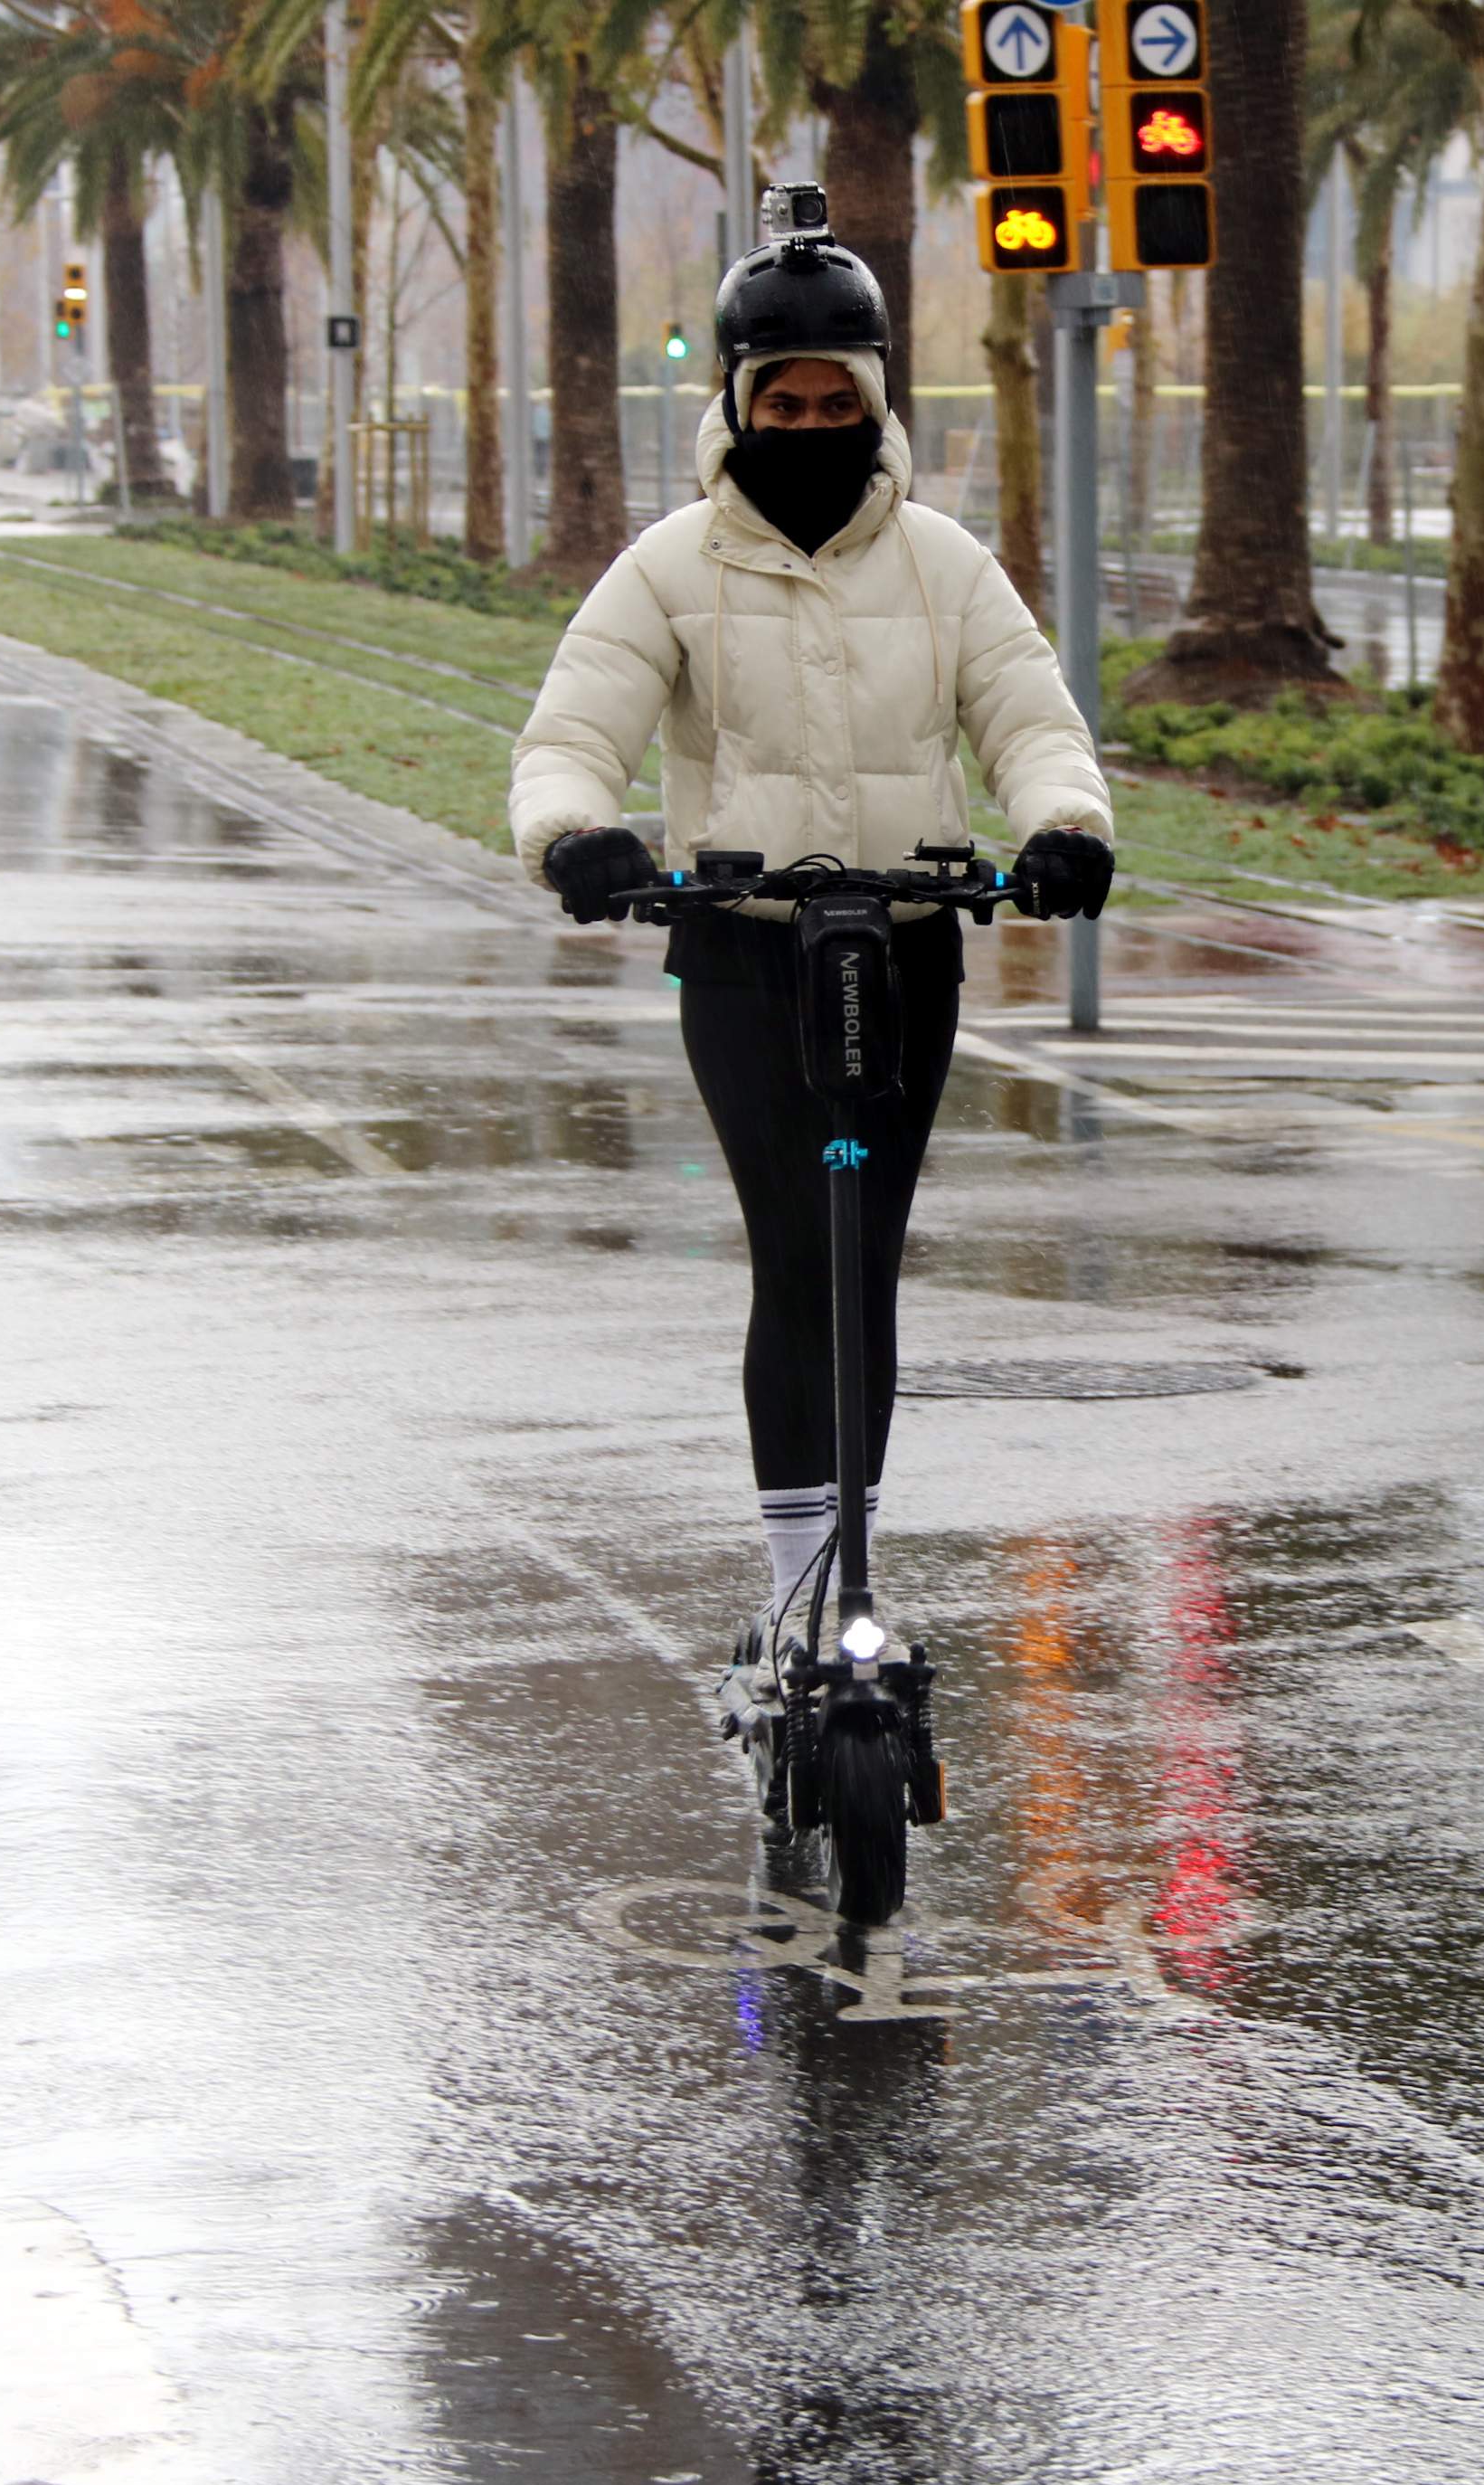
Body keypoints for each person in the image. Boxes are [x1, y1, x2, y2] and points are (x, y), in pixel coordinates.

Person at [505, 211, 1115, 1633]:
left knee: (866, 1256)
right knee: (796, 1251)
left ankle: (855, 1583)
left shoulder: (946, 566)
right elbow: (568, 737)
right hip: (741, 950)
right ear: (734, 402)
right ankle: (799, 1592)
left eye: (839, 400)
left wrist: (1066, 829)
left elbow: (1031, 719)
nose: (812, 422)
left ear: (880, 400)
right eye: (783, 400)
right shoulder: (667, 568)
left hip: (902, 943)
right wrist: (578, 836)